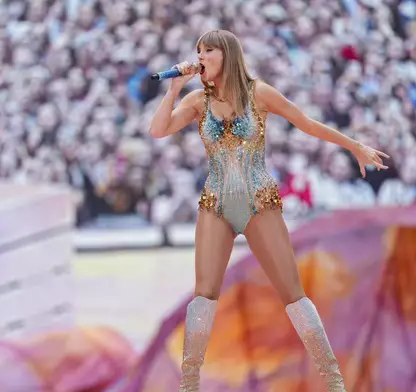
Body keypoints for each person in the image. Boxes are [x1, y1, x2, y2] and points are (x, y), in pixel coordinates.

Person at [148, 30, 389, 392]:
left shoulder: (258, 93)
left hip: (259, 201)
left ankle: (334, 382)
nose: (199, 57)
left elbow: (306, 123)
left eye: (207, 51)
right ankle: (189, 384)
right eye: (197, 51)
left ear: (226, 54)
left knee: (292, 292)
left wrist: (353, 146)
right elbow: (158, 130)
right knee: (204, 293)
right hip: (215, 204)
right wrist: (173, 90)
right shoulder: (197, 100)